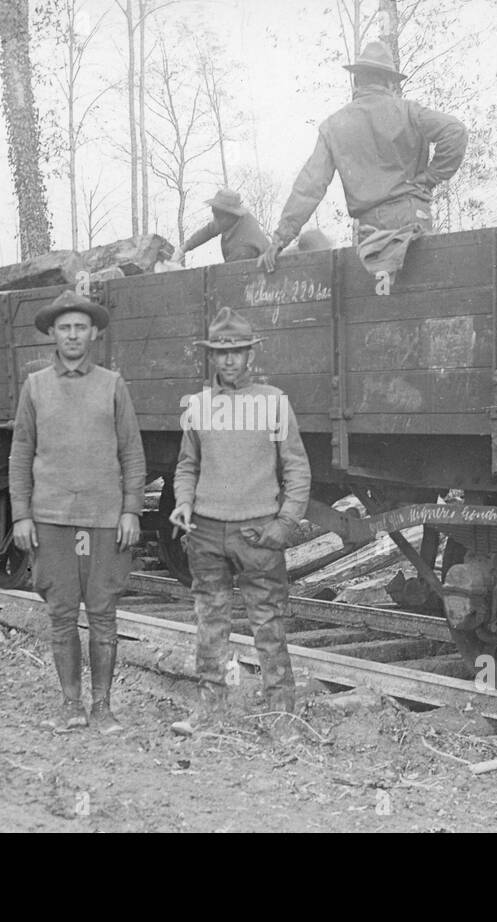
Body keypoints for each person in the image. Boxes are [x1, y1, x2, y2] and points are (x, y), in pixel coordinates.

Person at [167, 307, 312, 744]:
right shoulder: (198, 406)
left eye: (237, 353)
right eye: (221, 353)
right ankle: (209, 711)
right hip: (206, 532)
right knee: (210, 621)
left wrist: (285, 522)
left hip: (258, 533)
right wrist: (183, 503)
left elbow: (297, 469)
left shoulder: (273, 402)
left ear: (250, 355)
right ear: (211, 357)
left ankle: (282, 717)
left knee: (268, 622)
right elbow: (186, 466)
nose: (229, 361)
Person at [8, 290, 146, 734]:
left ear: (94, 334)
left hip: (105, 519)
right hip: (51, 518)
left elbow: (132, 453)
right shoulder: (35, 386)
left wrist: (131, 511)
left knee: (104, 614)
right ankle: (72, 705)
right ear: (53, 334)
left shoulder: (112, 384)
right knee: (62, 614)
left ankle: (103, 707)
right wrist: (21, 515)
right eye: (64, 327)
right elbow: (20, 454)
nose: (72, 335)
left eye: (80, 327)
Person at [259, 41, 468, 273]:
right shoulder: (408, 111)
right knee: (419, 291)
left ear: (357, 80)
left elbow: (310, 186)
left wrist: (281, 238)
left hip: (370, 227)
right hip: (412, 216)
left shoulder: (334, 126)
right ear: (389, 82)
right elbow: (455, 131)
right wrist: (430, 177)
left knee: (379, 295)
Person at [180, 189, 270, 263]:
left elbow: (227, 276)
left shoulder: (243, 248)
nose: (215, 220)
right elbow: (209, 230)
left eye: (218, 217)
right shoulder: (228, 222)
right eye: (215, 215)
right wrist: (183, 249)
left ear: (231, 215)